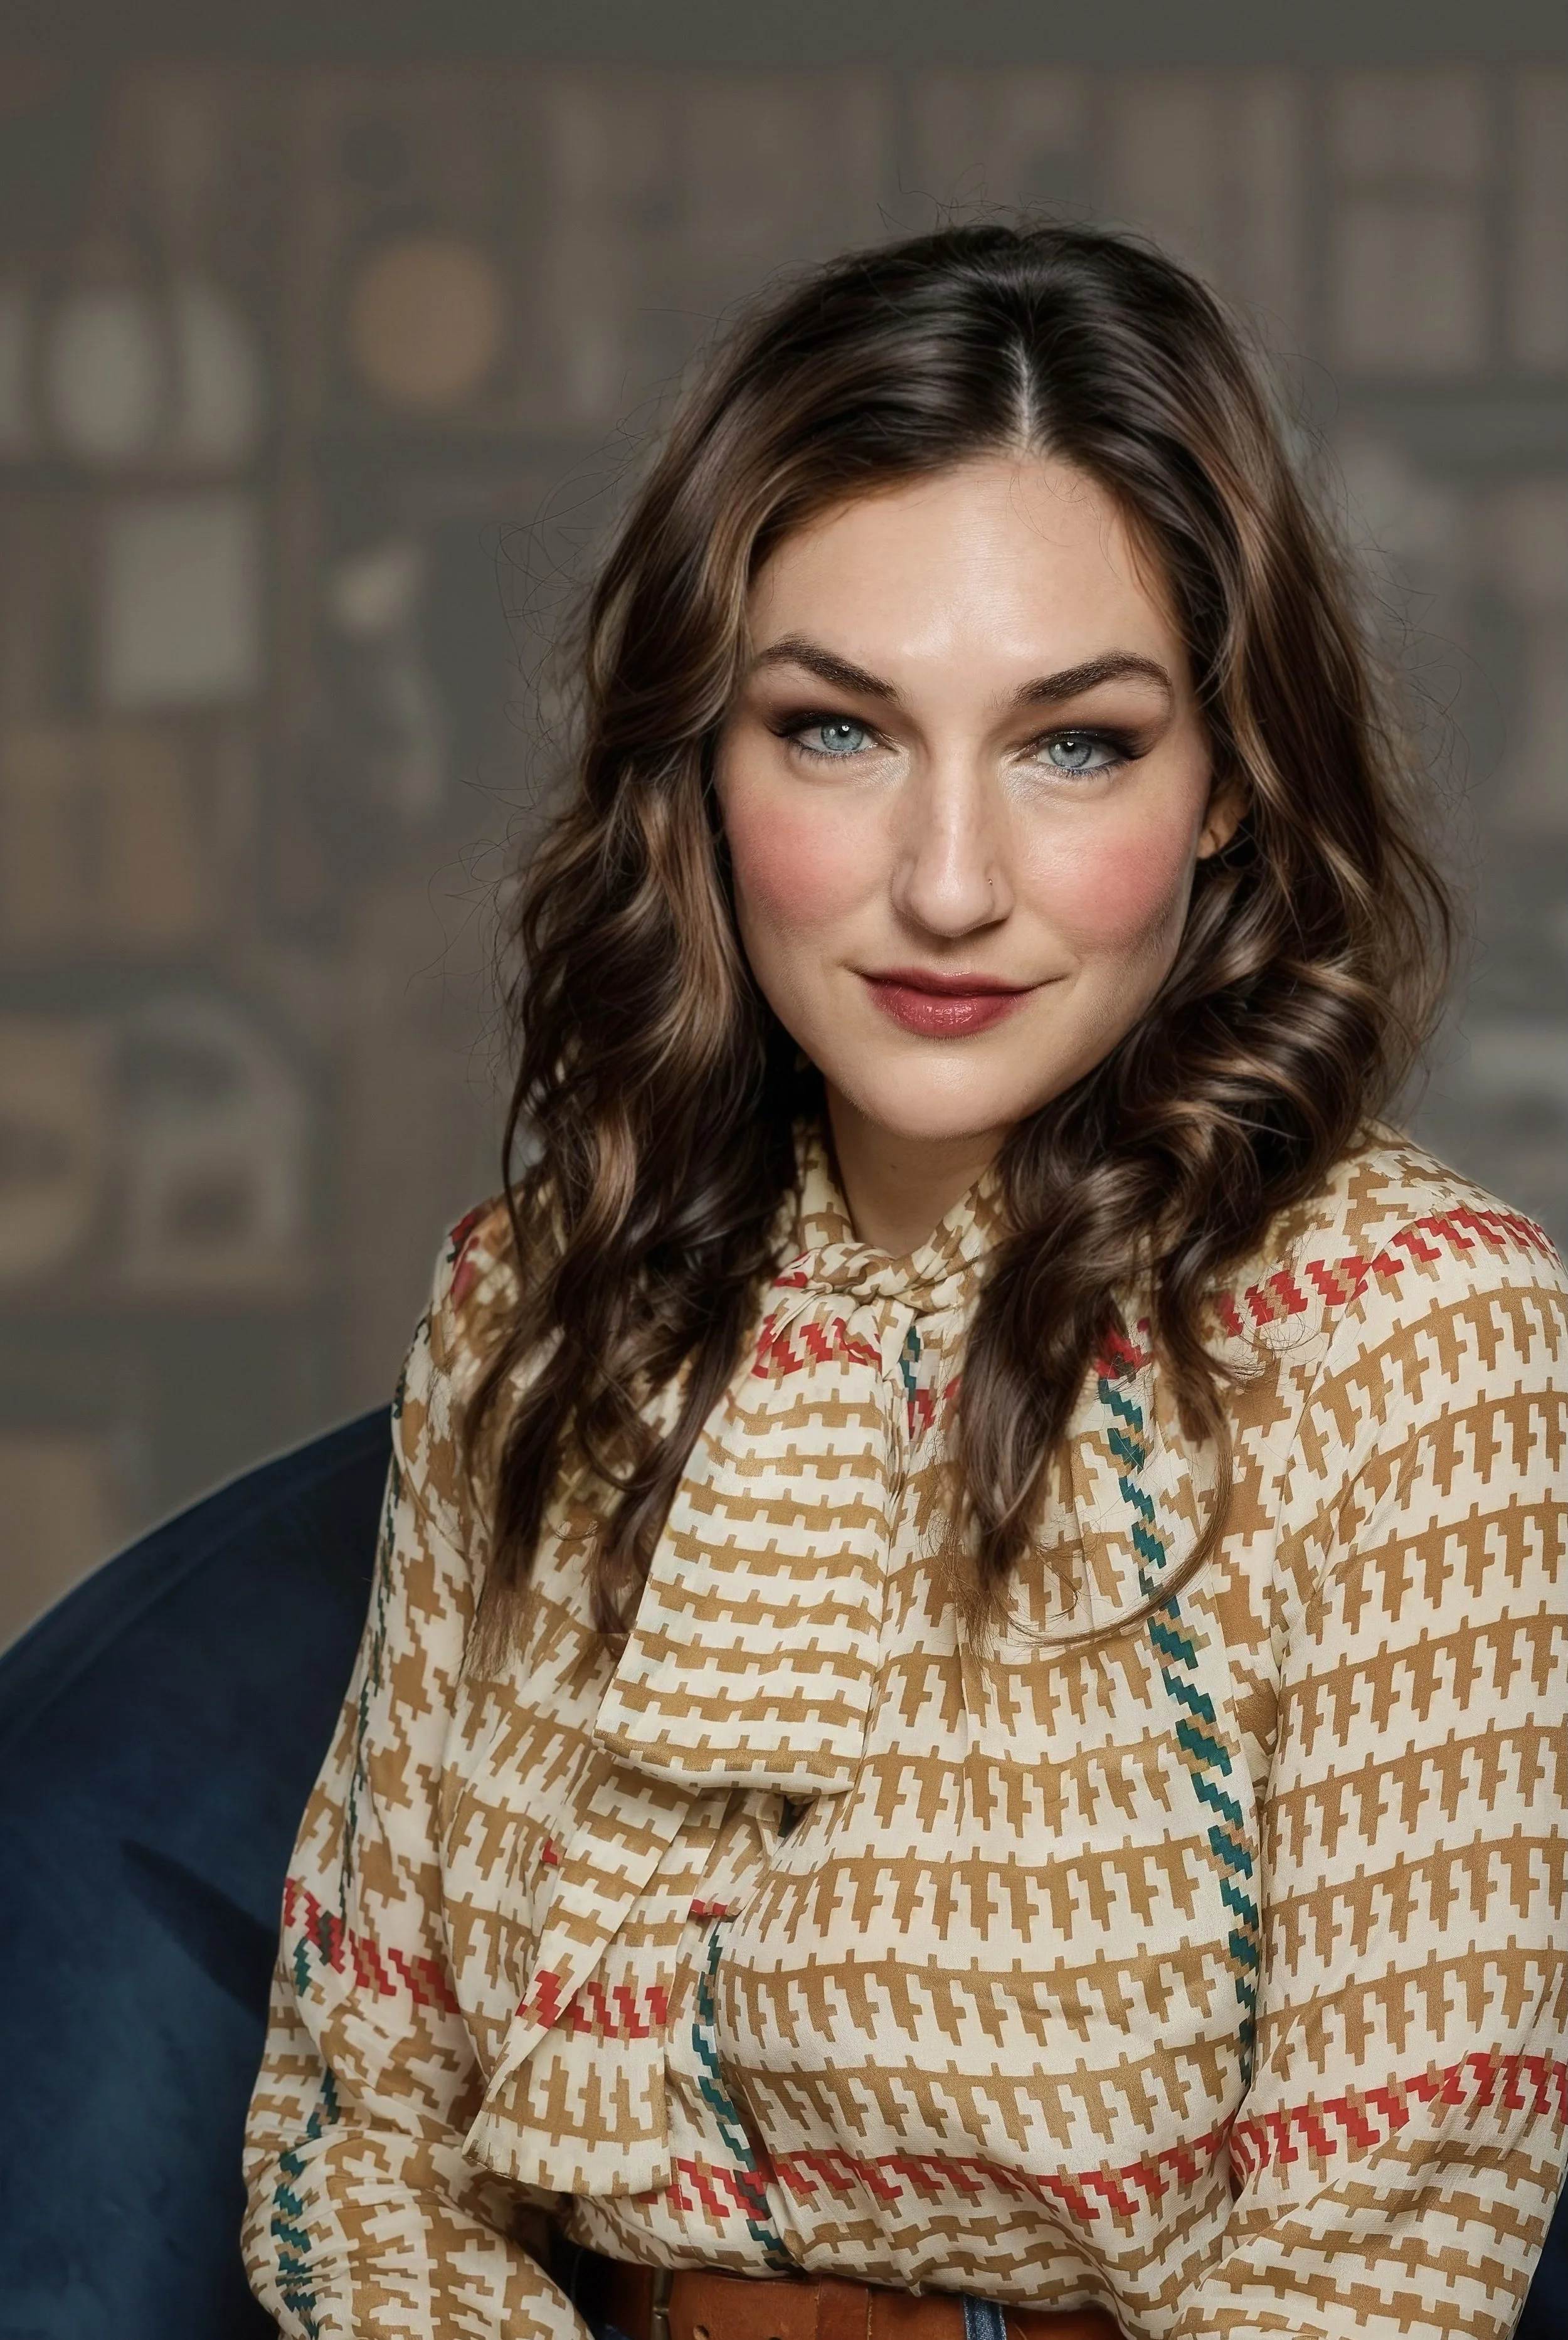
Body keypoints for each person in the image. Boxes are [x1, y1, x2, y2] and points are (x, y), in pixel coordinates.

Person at [243, 223, 1567, 2340]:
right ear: (703, 756)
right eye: (836, 730)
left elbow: (1378, 2258)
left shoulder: (1419, 1342)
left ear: (1224, 781)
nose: (946, 885)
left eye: (1075, 746)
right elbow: (355, 2134)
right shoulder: (526, 1305)